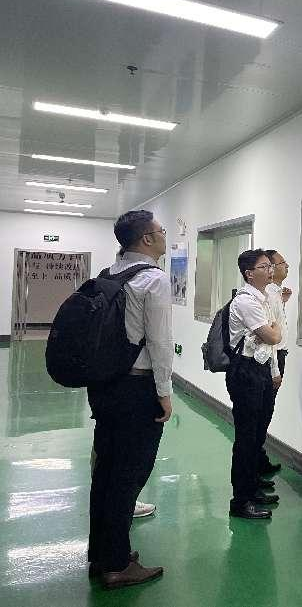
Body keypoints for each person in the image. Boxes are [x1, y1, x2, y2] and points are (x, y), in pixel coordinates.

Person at [88, 210, 172, 589]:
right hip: (137, 389)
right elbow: (160, 343)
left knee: (106, 471)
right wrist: (164, 393)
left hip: (105, 386)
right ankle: (118, 565)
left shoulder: (110, 274)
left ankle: (102, 553)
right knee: (129, 475)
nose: (164, 233)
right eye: (160, 230)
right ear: (147, 239)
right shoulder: (154, 279)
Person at [226, 249, 282, 519]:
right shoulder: (246, 302)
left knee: (257, 435)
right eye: (264, 267)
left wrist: (274, 371)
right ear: (249, 274)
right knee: (246, 438)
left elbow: (269, 343)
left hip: (260, 370)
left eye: (270, 266)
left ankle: (253, 489)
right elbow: (273, 337)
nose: (270, 270)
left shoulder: (264, 299)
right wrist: (274, 329)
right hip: (245, 373)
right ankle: (241, 501)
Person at [260, 249, 293, 479]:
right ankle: (256, 464)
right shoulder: (270, 296)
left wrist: (284, 302)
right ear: (271, 268)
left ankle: (259, 460)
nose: (286, 266)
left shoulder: (275, 294)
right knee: (263, 412)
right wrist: (275, 370)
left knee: (265, 412)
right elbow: (270, 337)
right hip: (273, 357)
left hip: (277, 356)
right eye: (282, 263)